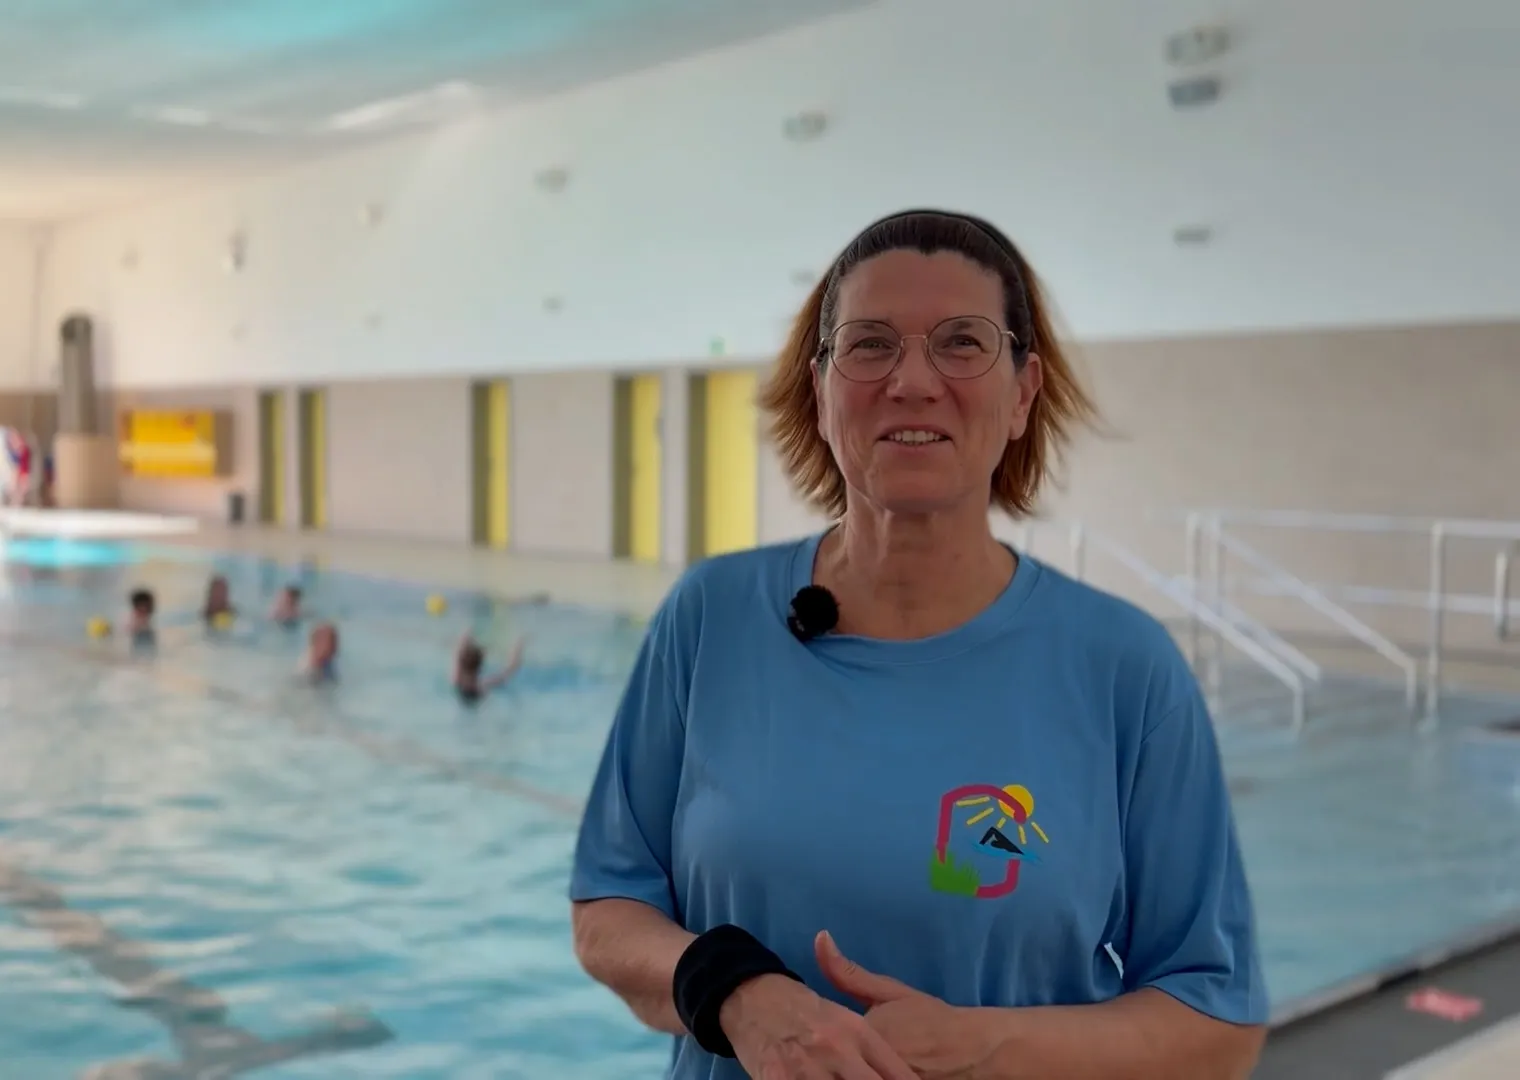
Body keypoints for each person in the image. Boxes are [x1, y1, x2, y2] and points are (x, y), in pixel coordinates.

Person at [569, 209, 1266, 1080]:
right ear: (821, 389)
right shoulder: (709, 618)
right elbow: (608, 907)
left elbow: (1217, 1019)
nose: (911, 381)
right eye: (868, 346)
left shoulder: (1124, 668)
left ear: (1022, 392)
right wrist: (735, 990)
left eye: (962, 343)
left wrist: (995, 1043)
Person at [451, 632, 525, 704]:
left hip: (469, 692)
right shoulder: (477, 684)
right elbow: (509, 670)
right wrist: (519, 644)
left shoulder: (457, 678)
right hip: (471, 693)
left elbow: (509, 670)